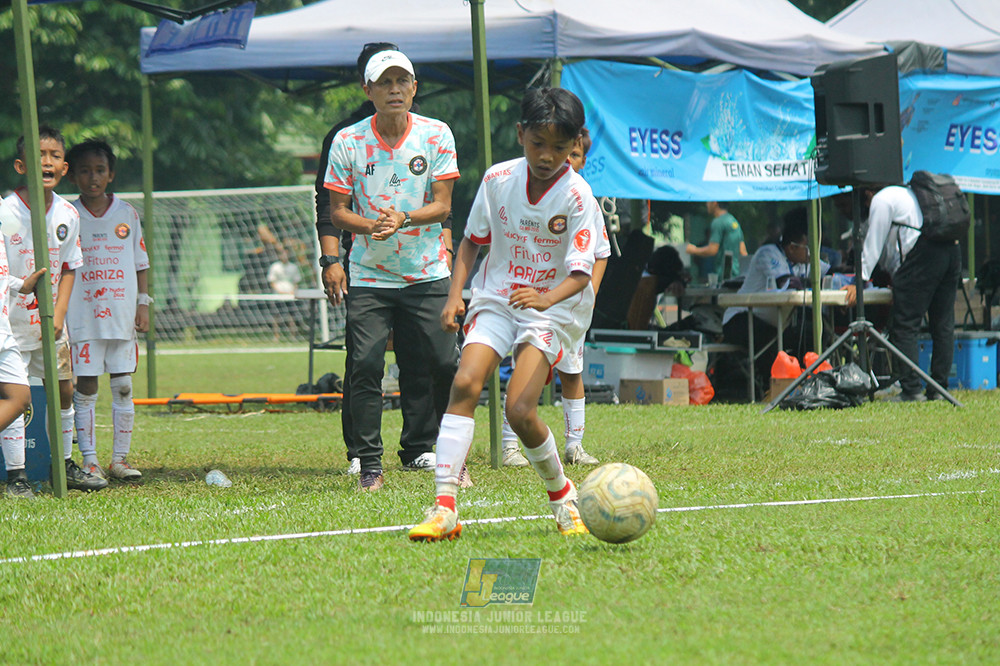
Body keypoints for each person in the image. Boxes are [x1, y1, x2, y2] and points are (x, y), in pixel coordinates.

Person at [408, 87, 599, 542]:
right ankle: (444, 508)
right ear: (520, 135)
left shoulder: (578, 196)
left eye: (559, 147)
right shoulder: (497, 179)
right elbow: (472, 241)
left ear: (575, 144)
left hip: (551, 310)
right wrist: (455, 296)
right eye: (538, 143)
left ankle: (562, 496)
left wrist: (545, 299)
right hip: (497, 298)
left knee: (519, 409)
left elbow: (581, 274)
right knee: (464, 383)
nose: (547, 156)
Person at [316, 42, 458, 478]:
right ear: (368, 90)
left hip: (426, 272)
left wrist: (404, 219)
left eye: (402, 81)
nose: (394, 89)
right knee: (364, 363)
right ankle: (367, 461)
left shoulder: (436, 134)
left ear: (414, 88)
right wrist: (367, 228)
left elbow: (444, 205)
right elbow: (335, 210)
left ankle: (433, 450)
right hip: (370, 274)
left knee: (442, 363)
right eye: (384, 82)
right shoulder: (347, 140)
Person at [1, 126, 105, 492]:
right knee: (16, 396)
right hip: (11, 325)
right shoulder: (6, 211)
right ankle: (17, 476)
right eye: (39, 155)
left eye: (54, 156)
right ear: (21, 165)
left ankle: (63, 465)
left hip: (50, 324)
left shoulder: (67, 214)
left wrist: (58, 315)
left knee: (64, 390)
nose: (47, 162)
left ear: (64, 168)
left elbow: (70, 267)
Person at [500, 127, 610, 467]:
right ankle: (509, 445)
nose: (567, 161)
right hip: (536, 301)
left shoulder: (585, 200)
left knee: (572, 372)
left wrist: (590, 292)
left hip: (571, 307)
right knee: (525, 369)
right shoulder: (529, 193)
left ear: (582, 159)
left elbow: (601, 253)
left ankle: (574, 446)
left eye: (574, 155)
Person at [65, 139, 151, 480]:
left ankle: (120, 460)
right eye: (85, 171)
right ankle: (90, 460)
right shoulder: (68, 215)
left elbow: (141, 262)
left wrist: (143, 304)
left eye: (99, 170)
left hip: (121, 315)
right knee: (86, 387)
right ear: (73, 175)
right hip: (83, 317)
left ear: (111, 174)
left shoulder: (126, 213)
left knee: (124, 385)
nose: (93, 178)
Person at [844, 185, 962, 402]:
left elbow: (874, 243)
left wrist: (859, 281)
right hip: (951, 250)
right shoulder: (910, 193)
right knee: (943, 324)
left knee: (905, 324)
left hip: (924, 255)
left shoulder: (882, 199)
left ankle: (911, 389)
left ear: (868, 193)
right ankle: (939, 388)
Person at [721, 208, 829, 399]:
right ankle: (771, 390)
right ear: (792, 247)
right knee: (771, 342)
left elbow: (828, 272)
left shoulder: (801, 260)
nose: (811, 254)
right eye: (807, 247)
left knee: (811, 333)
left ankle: (808, 384)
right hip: (740, 320)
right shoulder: (768, 253)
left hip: (774, 323)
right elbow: (787, 282)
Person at [0, 199, 48, 498]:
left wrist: (21, 285)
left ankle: (17, 478)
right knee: (18, 398)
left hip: (4, 330)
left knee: (19, 398)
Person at [686, 201, 748, 279]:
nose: (706, 204)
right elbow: (743, 252)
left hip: (724, 274)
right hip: (737, 275)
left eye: (708, 202)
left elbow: (713, 250)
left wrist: (694, 250)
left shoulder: (718, 222)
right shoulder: (734, 221)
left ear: (715, 203)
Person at [266, 240, 302, 341]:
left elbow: (296, 281)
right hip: (278, 296)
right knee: (276, 316)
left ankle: (293, 336)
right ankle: (276, 336)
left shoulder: (293, 267)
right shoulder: (275, 267)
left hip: (290, 296)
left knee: (291, 316)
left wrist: (293, 291)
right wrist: (280, 291)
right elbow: (272, 282)